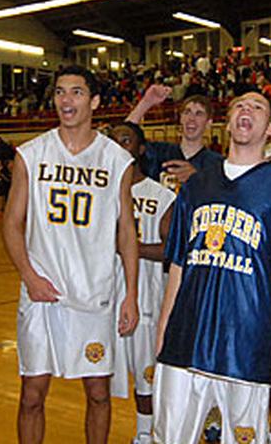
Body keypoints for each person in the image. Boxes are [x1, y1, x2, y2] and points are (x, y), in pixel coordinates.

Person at [153, 92, 271, 444]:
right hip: (187, 339)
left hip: (249, 344)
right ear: (227, 122)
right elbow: (178, 263)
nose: (247, 110)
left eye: (258, 107)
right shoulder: (196, 185)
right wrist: (164, 325)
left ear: (269, 128)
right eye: (240, 105)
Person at [2, 66, 140, 444]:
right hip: (42, 294)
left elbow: (126, 230)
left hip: (95, 292)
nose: (67, 100)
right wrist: (30, 277)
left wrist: (131, 293)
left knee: (98, 392)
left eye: (77, 92)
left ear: (94, 101)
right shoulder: (30, 154)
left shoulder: (116, 159)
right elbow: (12, 222)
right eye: (61, 92)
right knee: (32, 395)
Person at [107, 123, 176, 444]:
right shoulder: (98, 191)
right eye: (113, 140)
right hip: (103, 298)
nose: (119, 145)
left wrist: (128, 247)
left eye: (126, 139)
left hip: (145, 300)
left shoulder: (160, 196)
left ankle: (145, 435)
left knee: (146, 380)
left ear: (140, 149)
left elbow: (172, 250)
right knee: (100, 379)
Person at [126, 85, 222, 192]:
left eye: (199, 114)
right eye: (187, 112)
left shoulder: (217, 164)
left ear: (209, 123)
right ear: (180, 118)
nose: (191, 118)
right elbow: (125, 138)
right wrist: (146, 102)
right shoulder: (158, 152)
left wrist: (198, 178)